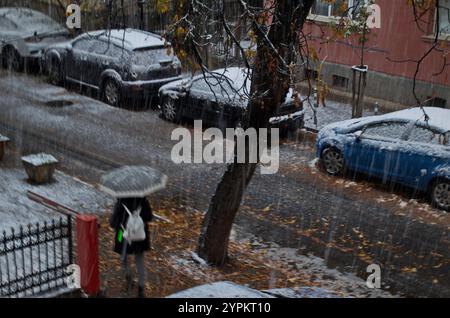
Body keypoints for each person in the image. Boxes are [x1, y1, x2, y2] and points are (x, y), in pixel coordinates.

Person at [109, 197, 153, 298]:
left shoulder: (121, 201)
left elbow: (113, 222)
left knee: (123, 257)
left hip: (122, 234)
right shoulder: (143, 200)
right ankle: (141, 290)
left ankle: (128, 278)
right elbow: (149, 217)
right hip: (140, 235)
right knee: (140, 261)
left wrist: (120, 224)